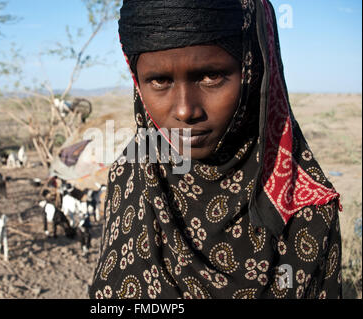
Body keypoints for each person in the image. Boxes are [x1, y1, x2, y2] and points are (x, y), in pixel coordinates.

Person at [89, 0, 343, 299]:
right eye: (159, 80)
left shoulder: (305, 209)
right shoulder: (130, 176)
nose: (185, 110)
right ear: (138, 83)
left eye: (211, 76)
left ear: (253, 71)